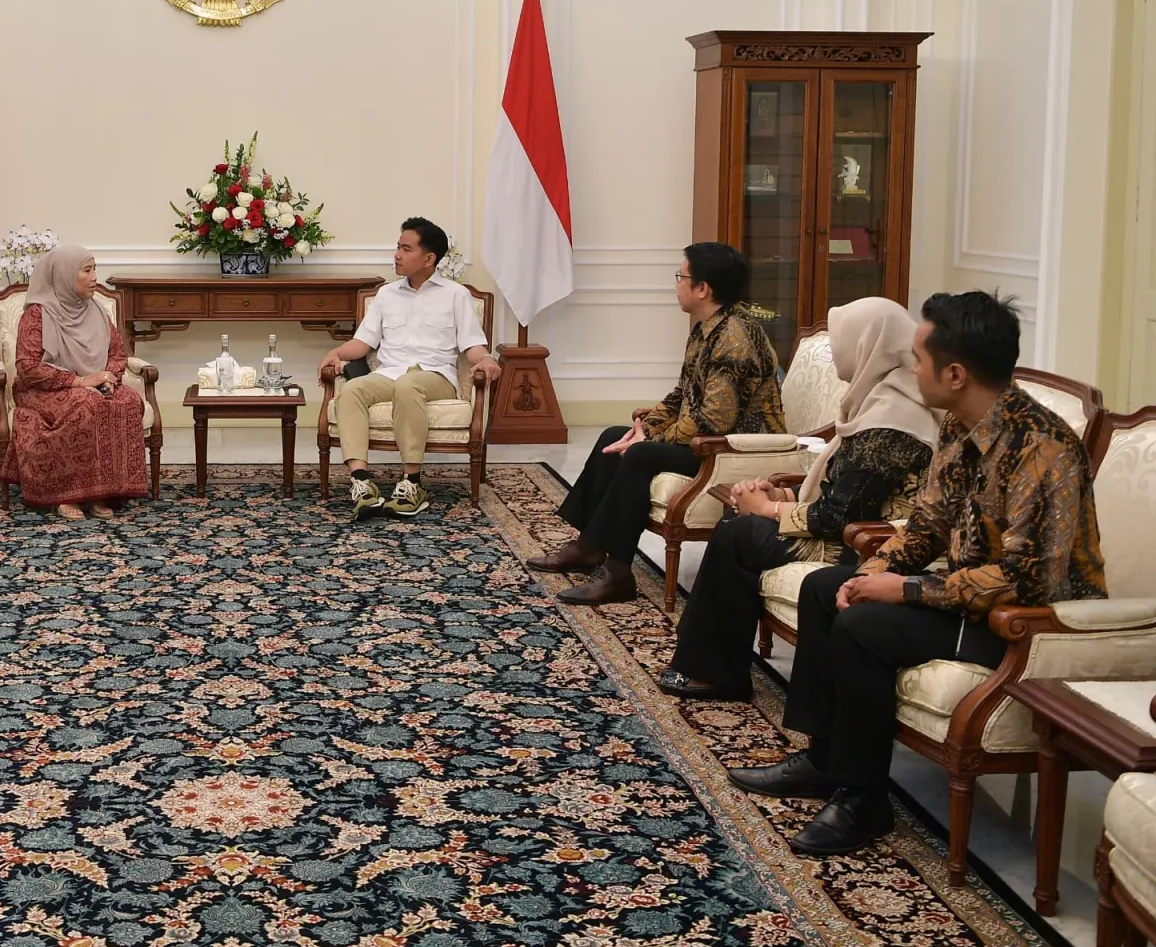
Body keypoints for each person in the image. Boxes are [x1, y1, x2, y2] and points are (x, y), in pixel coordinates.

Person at [727, 291, 1105, 856]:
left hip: (1025, 623)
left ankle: (863, 799)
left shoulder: (1042, 448)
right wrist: (871, 573)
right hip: (971, 599)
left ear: (955, 374)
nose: (911, 366)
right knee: (826, 588)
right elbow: (926, 526)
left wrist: (905, 589)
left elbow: (1025, 580)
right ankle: (825, 760)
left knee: (865, 629)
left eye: (920, 358)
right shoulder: (959, 426)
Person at [658, 296, 937, 702]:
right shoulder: (878, 398)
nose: (837, 350)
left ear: (866, 346)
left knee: (741, 535)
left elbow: (844, 514)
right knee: (738, 526)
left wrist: (769, 509)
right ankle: (711, 664)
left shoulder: (893, 418)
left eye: (843, 340)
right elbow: (845, 486)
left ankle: (715, 672)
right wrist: (783, 493)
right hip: (852, 525)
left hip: (869, 542)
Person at [532, 241, 785, 605]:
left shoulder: (736, 338)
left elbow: (715, 419)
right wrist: (645, 429)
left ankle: (618, 573)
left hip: (735, 450)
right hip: (708, 439)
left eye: (681, 276)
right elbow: (682, 395)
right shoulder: (706, 328)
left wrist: (651, 441)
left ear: (703, 288)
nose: (676, 284)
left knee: (640, 455)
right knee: (614, 437)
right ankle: (589, 547)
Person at [318, 217, 501, 520]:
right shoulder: (386, 294)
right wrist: (335, 352)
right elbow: (362, 343)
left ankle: (412, 483)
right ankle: (362, 483)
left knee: (408, 385)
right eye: (398, 247)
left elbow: (472, 345)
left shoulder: (455, 294)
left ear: (429, 258)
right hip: (389, 373)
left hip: (435, 376)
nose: (397, 255)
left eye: (406, 249)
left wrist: (487, 359)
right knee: (351, 390)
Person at [0, 244, 150, 518]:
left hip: (95, 384)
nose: (94, 277)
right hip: (43, 390)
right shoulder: (38, 314)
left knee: (128, 401)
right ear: (65, 275)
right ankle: (67, 495)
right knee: (85, 404)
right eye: (87, 270)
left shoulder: (97, 311)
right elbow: (28, 367)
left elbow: (118, 353)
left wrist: (109, 378)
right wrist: (80, 381)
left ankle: (104, 492)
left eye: (95, 270)